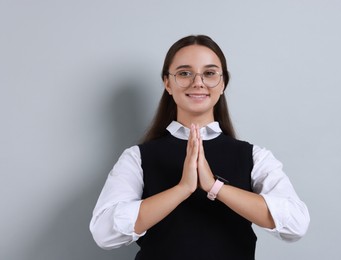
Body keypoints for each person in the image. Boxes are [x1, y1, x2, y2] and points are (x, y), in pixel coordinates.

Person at [90, 35, 310, 260]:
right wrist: (183, 188)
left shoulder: (254, 157)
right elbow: (104, 233)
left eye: (209, 73)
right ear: (167, 83)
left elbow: (296, 224)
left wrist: (215, 187)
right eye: (184, 73)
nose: (198, 82)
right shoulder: (137, 158)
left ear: (223, 83)